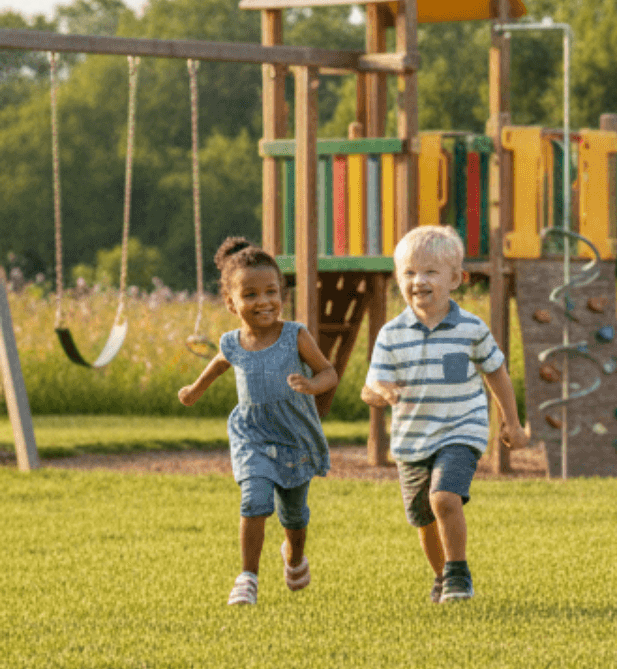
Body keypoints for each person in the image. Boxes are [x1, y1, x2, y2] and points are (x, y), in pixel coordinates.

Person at [361, 225, 529, 604]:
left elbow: (496, 372)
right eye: (409, 272)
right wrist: (384, 391)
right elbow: (371, 387)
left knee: (444, 498)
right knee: (423, 518)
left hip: (460, 429)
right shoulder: (391, 334)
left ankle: (457, 573)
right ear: (398, 279)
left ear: (455, 279)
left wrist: (512, 421)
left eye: (430, 272)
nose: (418, 281)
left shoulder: (471, 329)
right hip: (411, 439)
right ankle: (442, 577)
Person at [178, 236, 338, 607]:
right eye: (249, 295)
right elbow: (218, 364)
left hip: (294, 435)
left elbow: (328, 372)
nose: (263, 301)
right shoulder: (233, 342)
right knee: (254, 500)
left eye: (270, 292)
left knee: (294, 516)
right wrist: (194, 390)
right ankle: (247, 577)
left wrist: (312, 385)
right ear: (230, 302)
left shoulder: (295, 336)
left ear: (282, 294)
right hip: (252, 434)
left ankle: (294, 558)